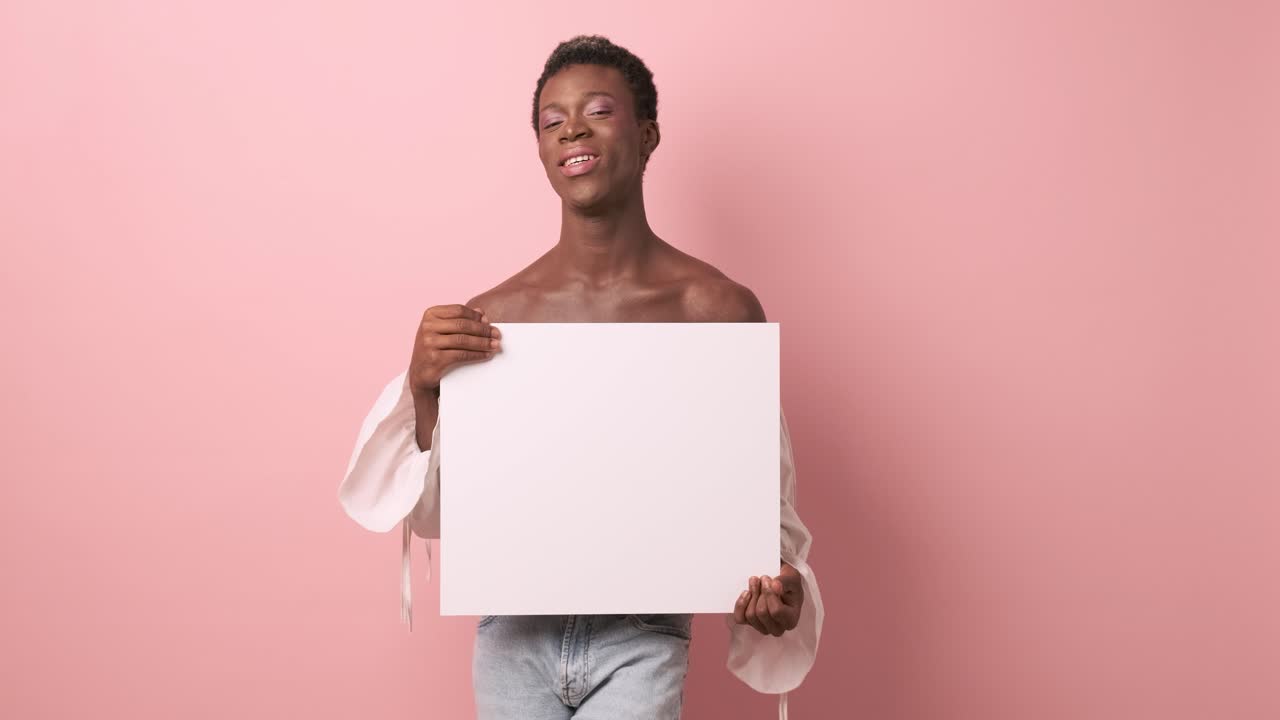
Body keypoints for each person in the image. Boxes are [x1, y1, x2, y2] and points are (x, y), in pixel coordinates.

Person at [339, 34, 823, 719]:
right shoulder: (495, 317)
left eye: (598, 108)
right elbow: (446, 516)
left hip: (643, 635)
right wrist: (423, 391)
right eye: (550, 119)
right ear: (541, 149)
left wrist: (779, 585)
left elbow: (757, 506)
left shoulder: (715, 311)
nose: (571, 127)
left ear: (648, 133)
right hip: (512, 640)